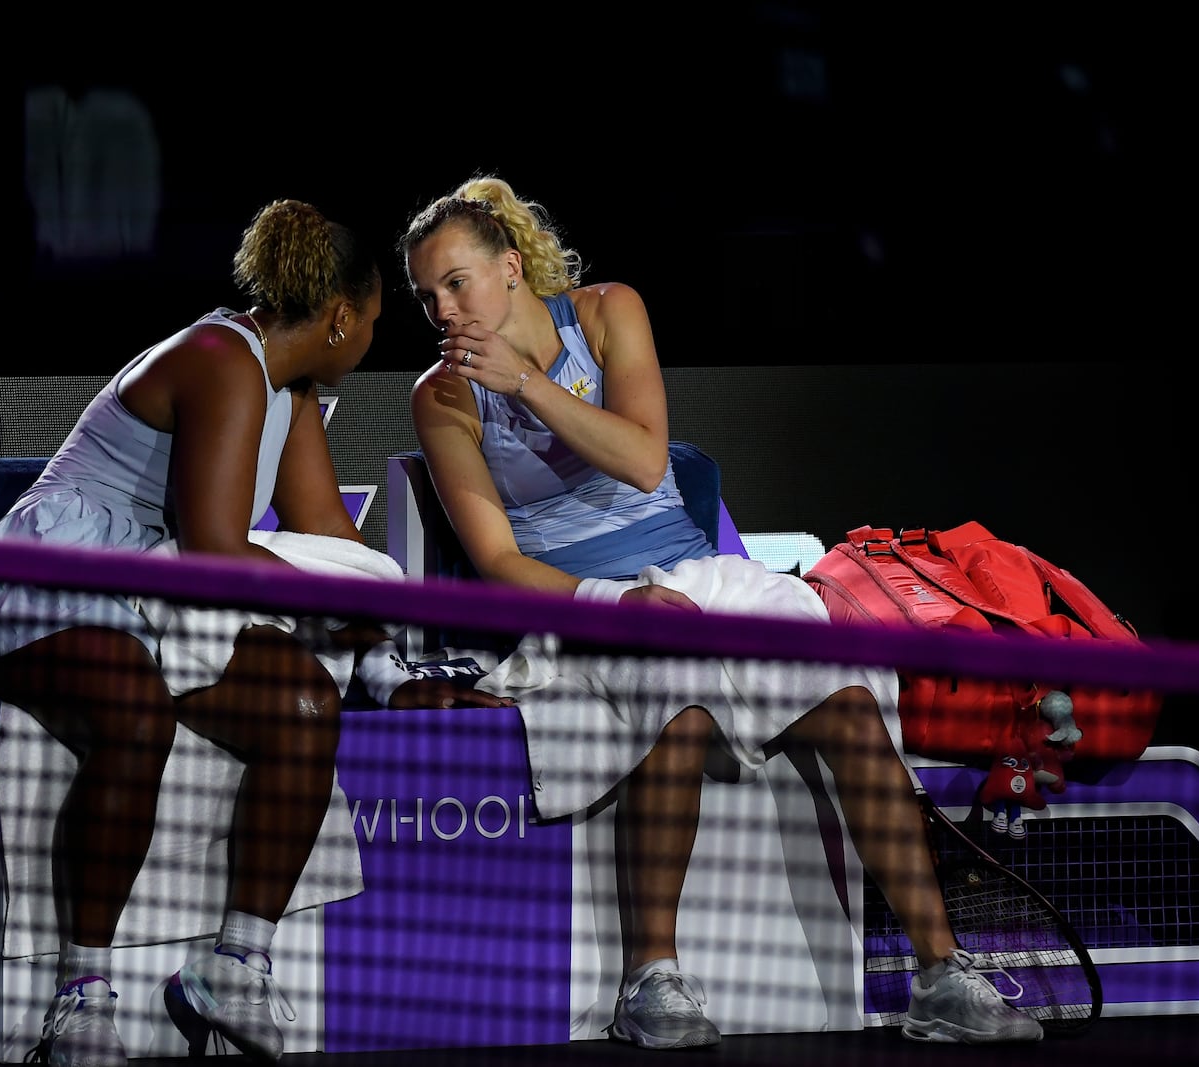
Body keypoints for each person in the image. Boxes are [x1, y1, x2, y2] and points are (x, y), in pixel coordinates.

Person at [398, 175, 1046, 1049]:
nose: (442, 308)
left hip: (702, 576)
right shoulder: (439, 397)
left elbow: (642, 457)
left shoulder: (607, 312)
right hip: (588, 608)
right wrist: (618, 600)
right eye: (426, 294)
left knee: (852, 708)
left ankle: (941, 972)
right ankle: (650, 981)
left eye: (456, 281)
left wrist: (528, 383)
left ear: (510, 267)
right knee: (684, 702)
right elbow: (500, 560)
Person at [0, 197, 514, 1067]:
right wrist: (340, 606)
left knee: (305, 704)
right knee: (135, 713)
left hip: (152, 590)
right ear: (336, 319)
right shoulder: (221, 359)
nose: (371, 341)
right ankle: (81, 994)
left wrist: (386, 664)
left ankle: (235, 966)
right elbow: (214, 549)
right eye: (370, 320)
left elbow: (328, 538)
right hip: (57, 575)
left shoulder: (292, 389)